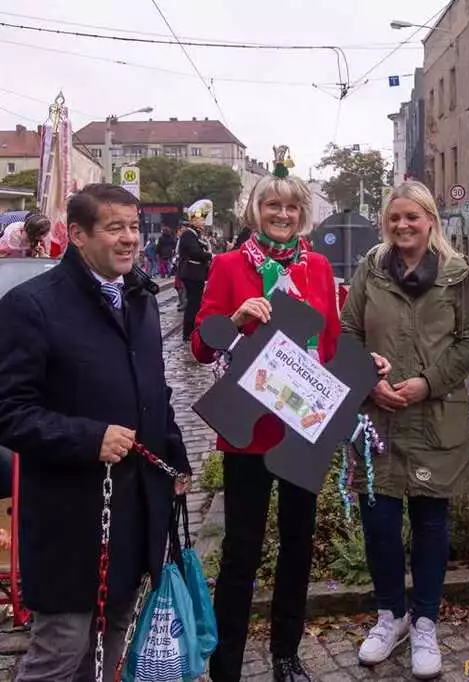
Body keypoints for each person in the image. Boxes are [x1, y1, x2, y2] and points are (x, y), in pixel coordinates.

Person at [192, 160, 386, 682]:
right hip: (249, 429)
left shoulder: (318, 269)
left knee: (298, 544)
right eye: (273, 205)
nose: (282, 213)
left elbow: (328, 344)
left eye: (291, 206)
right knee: (241, 550)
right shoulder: (231, 266)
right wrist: (233, 321)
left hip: (303, 426)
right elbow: (200, 345)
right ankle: (226, 661)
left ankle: (285, 653)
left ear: (303, 214)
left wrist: (365, 366)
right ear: (256, 211)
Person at [0, 183, 191, 682]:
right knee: (61, 651)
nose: (130, 239)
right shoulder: (33, 306)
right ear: (79, 235)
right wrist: (88, 439)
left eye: (134, 226)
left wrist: (175, 459)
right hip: (70, 517)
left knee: (113, 640)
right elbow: (9, 411)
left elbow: (156, 392)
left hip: (134, 510)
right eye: (115, 228)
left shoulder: (141, 298)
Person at [340, 181, 469, 678]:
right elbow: (347, 332)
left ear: (431, 222)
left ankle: (424, 619)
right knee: (379, 523)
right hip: (376, 415)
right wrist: (367, 375)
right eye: (394, 218)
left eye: (412, 218)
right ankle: (390, 616)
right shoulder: (370, 271)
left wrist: (427, 383)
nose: (403, 226)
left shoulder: (458, 274)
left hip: (434, 416)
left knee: (429, 523)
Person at [178, 199, 213, 342]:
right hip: (191, 272)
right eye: (200, 219)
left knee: (196, 302)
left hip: (197, 273)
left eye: (203, 219)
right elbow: (195, 252)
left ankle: (193, 329)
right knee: (193, 303)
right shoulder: (188, 234)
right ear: (193, 220)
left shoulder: (196, 234)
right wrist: (210, 255)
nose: (203, 221)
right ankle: (188, 332)